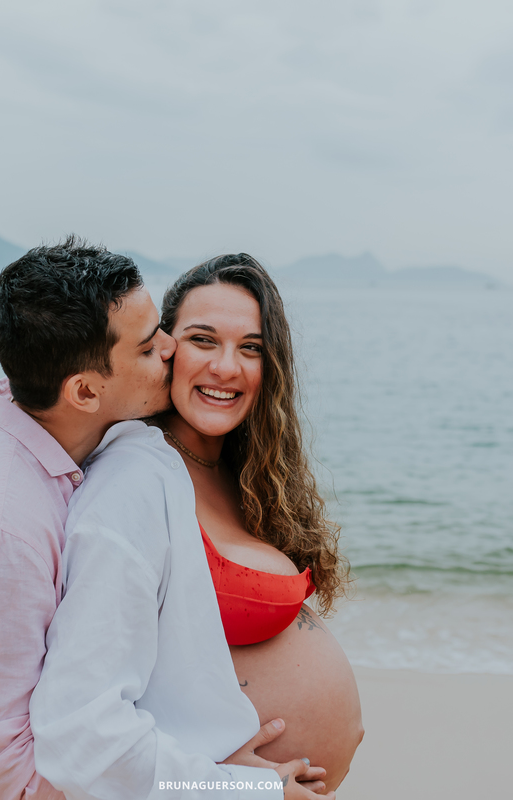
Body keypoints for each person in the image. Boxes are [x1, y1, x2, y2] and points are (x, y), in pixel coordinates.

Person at [0, 237, 177, 800]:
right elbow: (7, 769)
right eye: (147, 347)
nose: (171, 348)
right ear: (85, 390)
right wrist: (214, 785)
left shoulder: (61, 451)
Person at [155, 254, 363, 789]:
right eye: (203, 340)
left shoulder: (250, 474)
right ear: (163, 348)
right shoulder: (139, 476)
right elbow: (98, 699)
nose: (228, 367)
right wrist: (217, 780)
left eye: (251, 347)